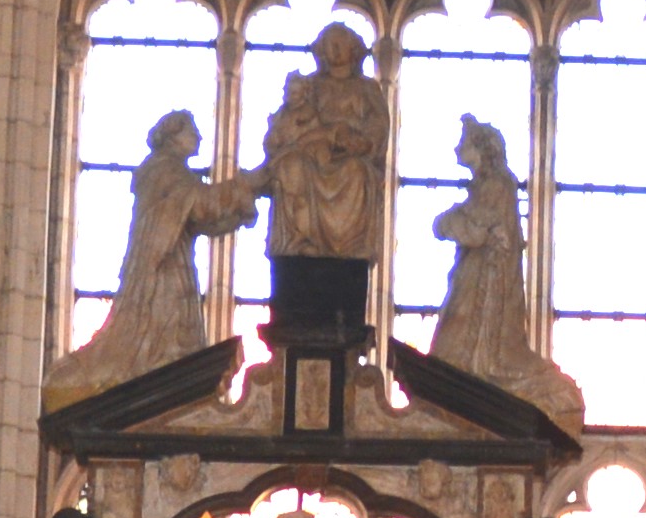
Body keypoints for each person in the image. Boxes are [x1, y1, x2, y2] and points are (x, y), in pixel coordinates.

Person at [42, 110, 261, 409]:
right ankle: (162, 370)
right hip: (162, 270)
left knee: (175, 347)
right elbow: (202, 205)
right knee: (163, 337)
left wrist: (238, 210)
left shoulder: (168, 172)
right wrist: (248, 185)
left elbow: (202, 220)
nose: (198, 137)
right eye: (191, 131)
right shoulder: (164, 171)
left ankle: (173, 372)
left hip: (171, 261)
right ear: (172, 136)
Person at [431, 117, 584, 435]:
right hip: (477, 273)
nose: (458, 148)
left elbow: (474, 230)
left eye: (465, 142)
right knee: (453, 348)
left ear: (481, 149)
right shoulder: (488, 185)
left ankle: (481, 380)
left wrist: (447, 222)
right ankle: (459, 386)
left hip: (489, 279)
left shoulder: (497, 184)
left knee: (474, 346)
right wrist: (451, 221)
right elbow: (471, 226)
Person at [261, 24, 391, 260]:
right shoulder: (310, 85)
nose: (336, 50)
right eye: (330, 44)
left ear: (353, 49)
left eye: (341, 44)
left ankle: (349, 245)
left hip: (348, 155)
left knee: (356, 172)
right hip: (310, 155)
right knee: (291, 167)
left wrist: (360, 142)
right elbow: (288, 122)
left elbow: (378, 126)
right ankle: (300, 239)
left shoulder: (366, 88)